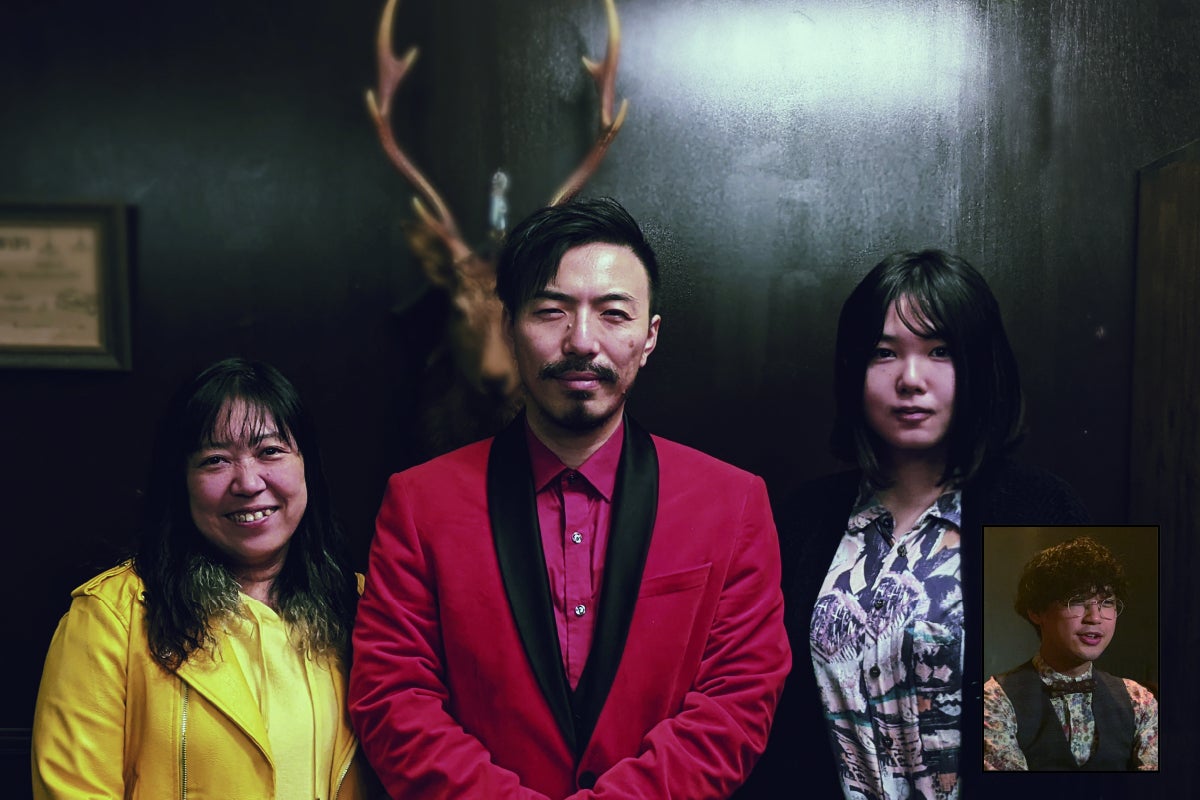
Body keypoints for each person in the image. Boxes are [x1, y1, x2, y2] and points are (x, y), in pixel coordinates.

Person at [349, 197, 791, 799]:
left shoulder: (732, 503)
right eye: (551, 311)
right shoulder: (418, 504)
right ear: (509, 327)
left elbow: (738, 700)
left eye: (614, 314)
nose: (582, 341)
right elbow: (393, 697)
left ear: (649, 337)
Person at [741, 250, 1089, 799]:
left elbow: (1076, 730)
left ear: (981, 365)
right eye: (884, 353)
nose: (910, 379)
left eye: (940, 351)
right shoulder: (804, 518)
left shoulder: (1040, 511)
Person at [32, 357, 376, 799]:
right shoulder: (110, 617)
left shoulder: (364, 605)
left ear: (307, 464)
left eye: (270, 451)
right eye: (215, 460)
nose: (248, 483)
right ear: (182, 482)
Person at [983, 535, 1158, 771]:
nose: (1095, 617)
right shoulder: (995, 699)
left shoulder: (1139, 700)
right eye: (1077, 601)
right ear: (1037, 611)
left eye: (1107, 603)